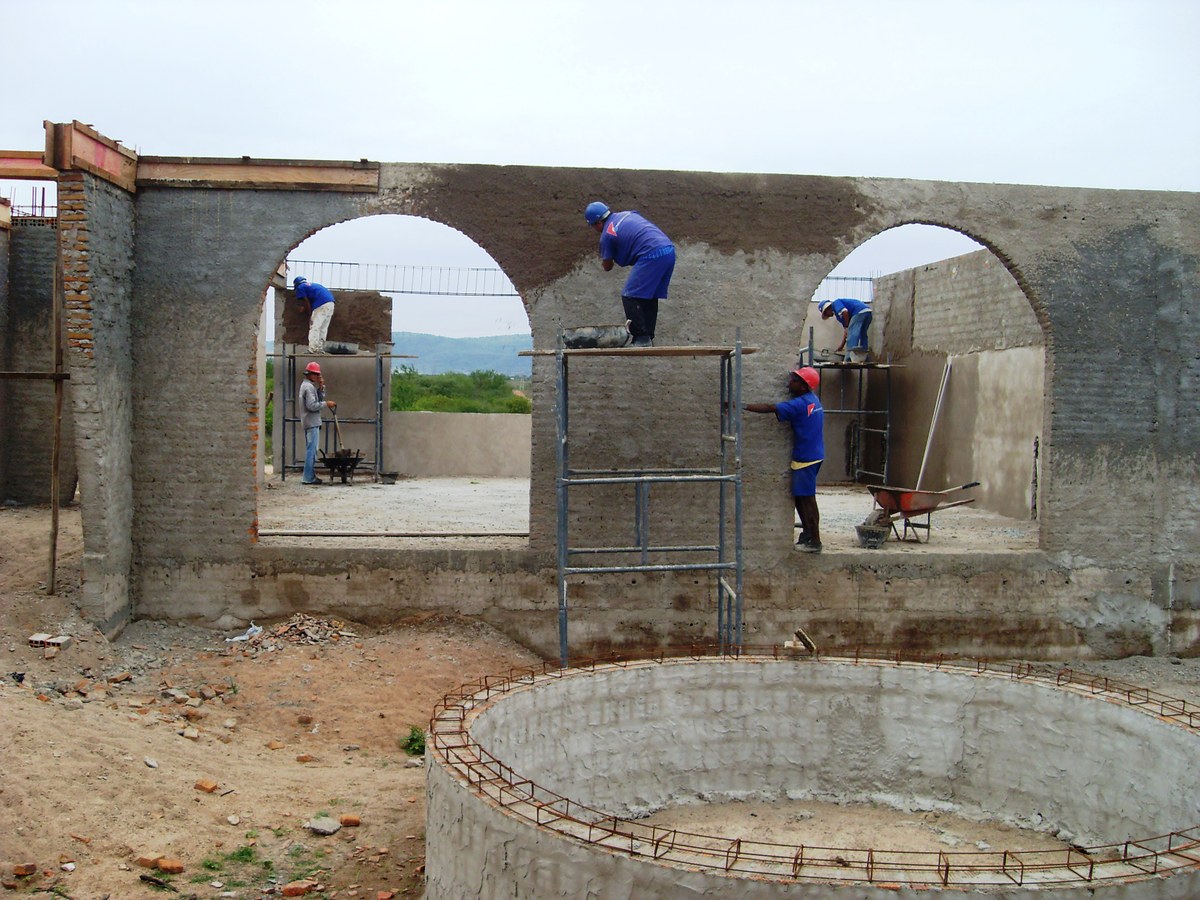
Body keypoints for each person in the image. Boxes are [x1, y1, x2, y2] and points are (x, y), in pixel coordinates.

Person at [745, 367, 825, 552]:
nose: (789, 382)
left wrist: (741, 405)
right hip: (812, 455)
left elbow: (771, 408)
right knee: (800, 498)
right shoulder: (812, 400)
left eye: (794, 380)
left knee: (807, 500)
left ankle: (815, 541)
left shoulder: (800, 404)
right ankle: (807, 535)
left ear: (804, 386)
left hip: (806, 457)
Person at [585, 201, 675, 347]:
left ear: (598, 223)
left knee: (630, 294)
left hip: (651, 254)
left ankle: (641, 338)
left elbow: (607, 267)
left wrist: (606, 255)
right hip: (668, 250)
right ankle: (647, 337)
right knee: (649, 296)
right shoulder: (627, 214)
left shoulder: (606, 235)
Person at [299, 361, 336, 485]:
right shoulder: (308, 387)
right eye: (314, 374)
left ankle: (309, 475)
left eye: (317, 374)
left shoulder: (308, 386)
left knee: (312, 449)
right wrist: (327, 404)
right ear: (309, 374)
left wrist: (321, 387)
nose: (316, 376)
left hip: (310, 422)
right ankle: (308, 477)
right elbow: (312, 405)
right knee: (312, 450)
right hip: (311, 422)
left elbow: (317, 399)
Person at [818, 297, 872, 362]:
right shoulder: (839, 317)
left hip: (858, 312)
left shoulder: (836, 303)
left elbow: (845, 312)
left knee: (853, 335)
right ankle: (864, 356)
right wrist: (841, 346)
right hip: (868, 312)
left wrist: (847, 326)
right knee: (862, 334)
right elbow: (846, 333)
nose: (828, 315)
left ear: (827, 309)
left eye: (826, 313)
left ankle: (849, 357)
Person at [294, 276, 336, 354]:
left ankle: (312, 349)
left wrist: (310, 313)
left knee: (314, 327)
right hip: (331, 303)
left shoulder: (300, 287)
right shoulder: (312, 285)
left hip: (321, 304)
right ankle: (320, 349)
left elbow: (306, 301)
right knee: (323, 328)